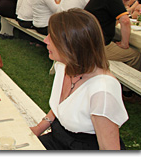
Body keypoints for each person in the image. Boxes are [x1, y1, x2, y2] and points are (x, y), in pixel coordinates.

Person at [30, 9, 128, 150]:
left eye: (53, 37)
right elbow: (61, 107)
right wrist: (38, 128)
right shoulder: (63, 66)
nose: (45, 40)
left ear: (72, 45)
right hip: (59, 138)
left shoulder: (102, 91)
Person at [84, 0, 141, 73]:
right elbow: (125, 21)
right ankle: (130, 88)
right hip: (98, 46)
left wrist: (123, 5)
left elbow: (113, 19)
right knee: (135, 55)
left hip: (89, 40)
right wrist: (124, 44)